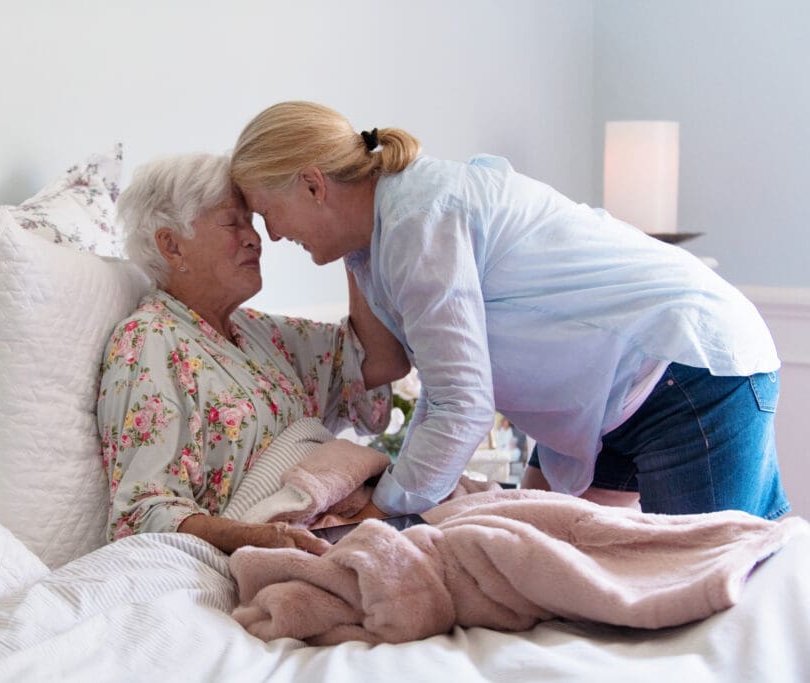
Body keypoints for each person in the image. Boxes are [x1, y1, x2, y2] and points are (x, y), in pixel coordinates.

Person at [230, 100, 789, 520]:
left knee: (704, 591)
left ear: (311, 184)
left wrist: (386, 507)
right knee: (546, 563)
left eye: (266, 213)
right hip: (610, 399)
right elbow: (424, 377)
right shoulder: (374, 244)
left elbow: (462, 405)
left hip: (682, 368)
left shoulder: (420, 221)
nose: (272, 235)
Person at [97, 152, 408, 555]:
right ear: (172, 246)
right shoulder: (149, 340)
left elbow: (377, 361)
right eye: (232, 222)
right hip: (290, 544)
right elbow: (143, 514)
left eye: (253, 222)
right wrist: (266, 539)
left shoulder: (260, 332)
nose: (254, 238)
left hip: (354, 518)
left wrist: (351, 240)